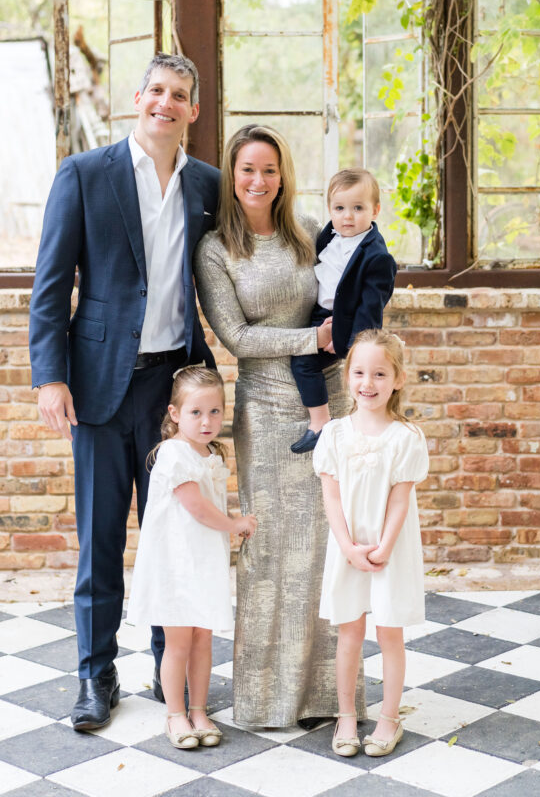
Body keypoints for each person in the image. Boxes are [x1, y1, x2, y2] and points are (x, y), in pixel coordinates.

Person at [29, 53, 220, 731]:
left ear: (192, 111)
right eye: (156, 91)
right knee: (100, 540)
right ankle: (94, 675)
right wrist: (50, 377)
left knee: (176, 537)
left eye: (179, 96)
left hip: (175, 392)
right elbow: (51, 286)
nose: (165, 104)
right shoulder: (84, 174)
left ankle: (173, 674)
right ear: (135, 98)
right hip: (99, 388)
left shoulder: (207, 185)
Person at [194, 123, 366, 729]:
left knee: (326, 546)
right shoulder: (216, 249)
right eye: (247, 170)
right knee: (269, 551)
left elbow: (341, 293)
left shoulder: (305, 235)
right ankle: (267, 699)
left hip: (329, 398)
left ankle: (327, 695)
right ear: (232, 177)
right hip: (265, 411)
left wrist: (344, 334)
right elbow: (236, 337)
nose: (259, 181)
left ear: (283, 175)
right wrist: (309, 338)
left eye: (270, 170)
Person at [127, 366, 258, 749]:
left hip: (203, 563)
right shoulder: (173, 454)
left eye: (215, 412)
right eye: (196, 413)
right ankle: (175, 714)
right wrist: (236, 524)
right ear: (175, 414)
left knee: (203, 638)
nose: (207, 421)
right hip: (176, 566)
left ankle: (199, 709)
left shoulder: (210, 455)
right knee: (179, 642)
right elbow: (197, 509)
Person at [313, 329, 428, 758]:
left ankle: (389, 718)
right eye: (359, 372)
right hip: (347, 547)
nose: (368, 383)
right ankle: (346, 716)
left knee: (389, 632)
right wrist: (347, 546)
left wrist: (382, 546)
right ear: (347, 376)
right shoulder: (335, 434)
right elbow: (331, 495)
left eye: (380, 373)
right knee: (349, 632)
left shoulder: (406, 437)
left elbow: (400, 498)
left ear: (397, 379)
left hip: (389, 550)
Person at [290, 168, 396, 454]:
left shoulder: (377, 256)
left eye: (358, 208)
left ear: (375, 210)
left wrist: (348, 341)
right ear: (330, 209)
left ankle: (321, 425)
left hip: (345, 324)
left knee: (304, 362)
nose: (348, 216)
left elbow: (370, 308)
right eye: (340, 208)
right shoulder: (330, 235)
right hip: (319, 313)